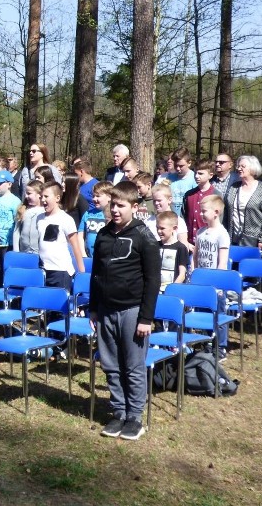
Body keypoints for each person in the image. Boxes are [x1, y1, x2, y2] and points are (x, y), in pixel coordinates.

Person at [90, 180, 160, 441]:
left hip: (132, 312)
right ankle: (118, 412)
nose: (116, 210)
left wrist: (146, 318)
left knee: (133, 366)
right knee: (110, 364)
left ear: (134, 206)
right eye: (113, 205)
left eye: (121, 205)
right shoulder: (103, 235)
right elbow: (96, 274)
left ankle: (134, 417)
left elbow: (153, 280)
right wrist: (94, 309)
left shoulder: (144, 236)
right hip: (106, 311)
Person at [194, 194, 231, 359]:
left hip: (215, 284)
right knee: (203, 314)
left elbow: (222, 263)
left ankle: (221, 347)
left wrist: (218, 286)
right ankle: (207, 342)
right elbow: (195, 256)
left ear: (216, 212)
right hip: (200, 282)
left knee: (218, 315)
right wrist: (193, 273)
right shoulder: (201, 232)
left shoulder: (222, 234)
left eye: (204, 211)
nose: (201, 214)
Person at [38, 181, 85, 289]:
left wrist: (81, 271)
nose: (43, 199)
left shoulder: (65, 219)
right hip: (43, 269)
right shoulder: (39, 218)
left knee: (59, 303)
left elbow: (75, 246)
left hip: (60, 271)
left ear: (57, 198)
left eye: (46, 196)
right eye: (41, 196)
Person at [224, 155, 262, 251]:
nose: (239, 168)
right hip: (232, 239)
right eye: (238, 166)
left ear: (252, 168)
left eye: (243, 166)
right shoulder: (233, 187)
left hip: (254, 242)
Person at [0, 170, 21, 287]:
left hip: (8, 243)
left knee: (5, 270)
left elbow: (18, 222)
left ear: (9, 184)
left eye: (0, 183)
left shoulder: (15, 201)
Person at [181, 159, 217, 249]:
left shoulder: (216, 195)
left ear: (210, 175)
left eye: (201, 174)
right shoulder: (189, 194)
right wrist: (185, 241)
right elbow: (183, 219)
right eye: (195, 173)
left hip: (209, 244)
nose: (196, 176)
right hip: (189, 243)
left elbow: (219, 222)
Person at [79, 180, 113, 258]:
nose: (94, 199)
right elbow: (80, 235)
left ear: (109, 197)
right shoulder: (88, 213)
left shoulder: (113, 214)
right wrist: (83, 255)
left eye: (98, 196)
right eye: (93, 196)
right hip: (89, 256)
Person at [156, 211, 188, 289]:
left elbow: (182, 274)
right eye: (157, 228)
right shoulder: (155, 245)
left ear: (174, 228)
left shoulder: (181, 248)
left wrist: (172, 289)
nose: (159, 231)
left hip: (172, 290)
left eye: (162, 228)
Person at [14, 180, 44, 254]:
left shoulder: (44, 211)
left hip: (39, 253)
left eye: (29, 193)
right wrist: (16, 251)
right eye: (26, 193)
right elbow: (16, 232)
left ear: (40, 194)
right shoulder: (23, 210)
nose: (26, 196)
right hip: (24, 252)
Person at [165, 147, 197, 217]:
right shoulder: (169, 178)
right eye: (176, 166)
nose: (178, 169)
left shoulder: (195, 178)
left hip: (187, 216)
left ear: (189, 163)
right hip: (172, 216)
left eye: (181, 166)